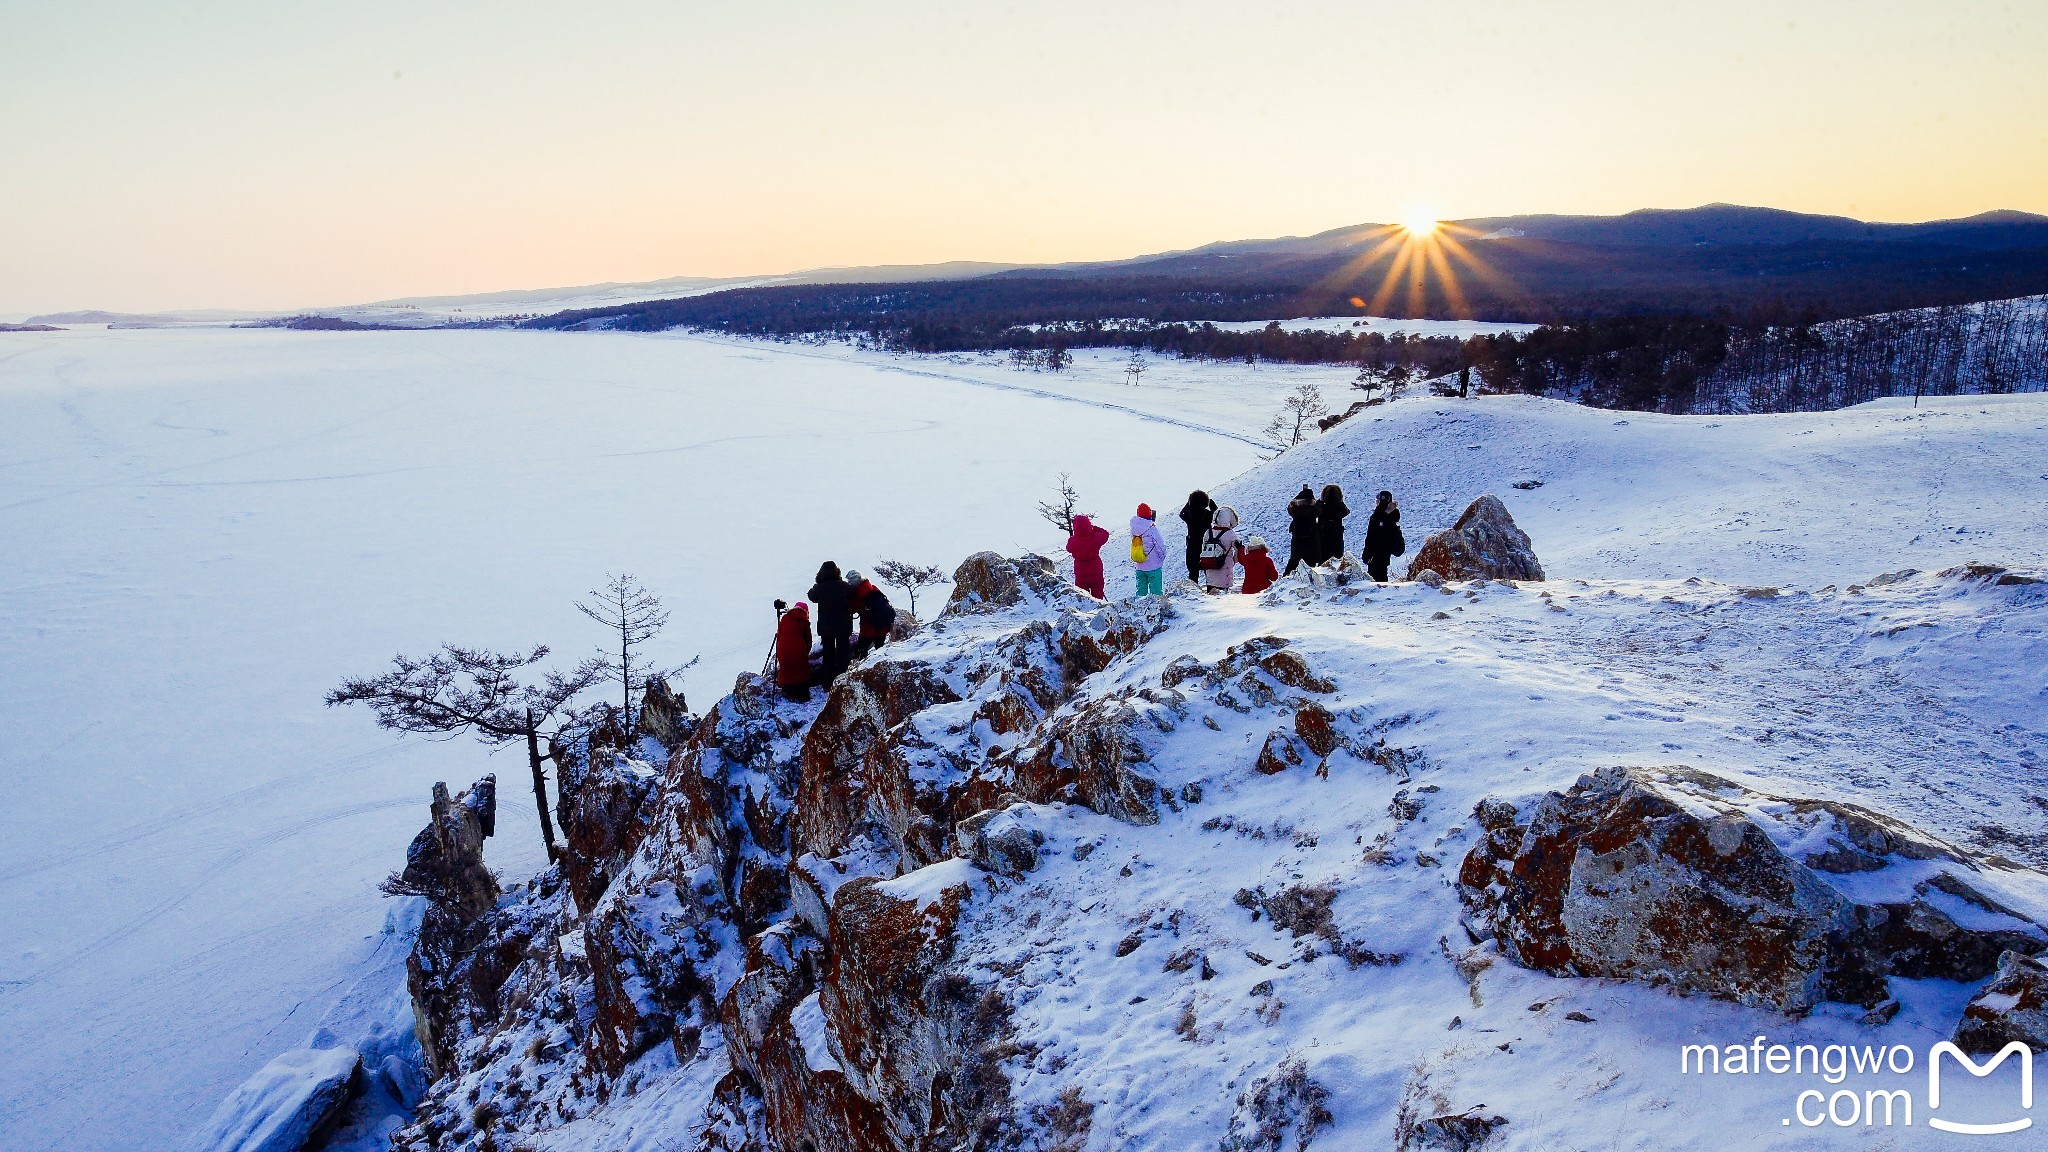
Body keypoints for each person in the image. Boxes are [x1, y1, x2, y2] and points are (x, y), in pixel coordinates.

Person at [808, 561, 854, 683]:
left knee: (828, 655)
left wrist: (817, 584)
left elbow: (812, 597)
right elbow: (852, 595)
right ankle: (842, 681)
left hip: (826, 627)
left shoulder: (819, 588)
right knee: (843, 654)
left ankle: (827, 682)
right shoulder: (844, 586)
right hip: (843, 625)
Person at [846, 569, 897, 658]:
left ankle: (862, 670)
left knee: (861, 650)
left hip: (869, 627)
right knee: (881, 650)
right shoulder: (872, 587)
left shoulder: (859, 594)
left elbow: (852, 608)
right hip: (882, 625)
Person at [773, 599, 814, 702]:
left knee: (786, 668)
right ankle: (802, 693)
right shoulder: (804, 621)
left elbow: (779, 634)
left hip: (783, 647)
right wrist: (805, 652)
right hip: (798, 647)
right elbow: (808, 640)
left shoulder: (785, 617)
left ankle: (788, 691)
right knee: (800, 669)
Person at [1361, 490, 1404, 583]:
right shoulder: (1392, 516)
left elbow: (1372, 537)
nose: (1376, 502)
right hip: (1385, 554)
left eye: (1378, 500)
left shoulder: (1378, 517)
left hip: (1375, 554)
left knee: (1375, 580)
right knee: (1382, 578)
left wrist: (1367, 553)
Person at [1197, 505, 1243, 592]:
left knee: (1211, 594)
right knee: (1222, 598)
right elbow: (1238, 550)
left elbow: (1204, 548)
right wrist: (1233, 560)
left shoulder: (1208, 532)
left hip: (1209, 568)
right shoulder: (1230, 534)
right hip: (1224, 568)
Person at [1065, 513, 1110, 598]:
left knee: (1083, 596)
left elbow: (1068, 548)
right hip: (1095, 569)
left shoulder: (1073, 541)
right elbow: (1105, 533)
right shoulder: (1095, 537)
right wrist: (1093, 528)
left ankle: (1085, 610)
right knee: (1097, 594)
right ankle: (1099, 608)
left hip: (1080, 572)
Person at [1178, 490, 1216, 582]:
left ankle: (1193, 591)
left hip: (1192, 546)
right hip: (1206, 545)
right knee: (1208, 571)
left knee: (1193, 572)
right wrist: (1210, 502)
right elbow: (1216, 513)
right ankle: (1211, 590)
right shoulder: (1208, 515)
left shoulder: (1189, 514)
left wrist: (1188, 504)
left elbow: (1181, 514)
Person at [1129, 503, 1166, 597]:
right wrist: (1162, 558)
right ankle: (1157, 609)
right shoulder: (1151, 529)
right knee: (1156, 592)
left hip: (1139, 566)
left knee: (1140, 592)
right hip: (1153, 566)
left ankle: (1140, 609)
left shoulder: (1134, 528)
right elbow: (1160, 546)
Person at [1284, 485, 1319, 574]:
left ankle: (1286, 579)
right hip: (1311, 543)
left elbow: (1290, 506)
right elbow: (1320, 508)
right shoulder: (1314, 511)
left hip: (1297, 543)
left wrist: (1300, 496)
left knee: (1293, 563)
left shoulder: (1295, 510)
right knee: (1310, 567)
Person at [1315, 483, 1350, 566]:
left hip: (1322, 540)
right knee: (1337, 564)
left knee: (1322, 564)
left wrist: (1319, 501)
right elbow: (1346, 511)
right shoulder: (1339, 508)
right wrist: (1341, 502)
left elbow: (1314, 510)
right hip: (1337, 540)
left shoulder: (1321, 507)